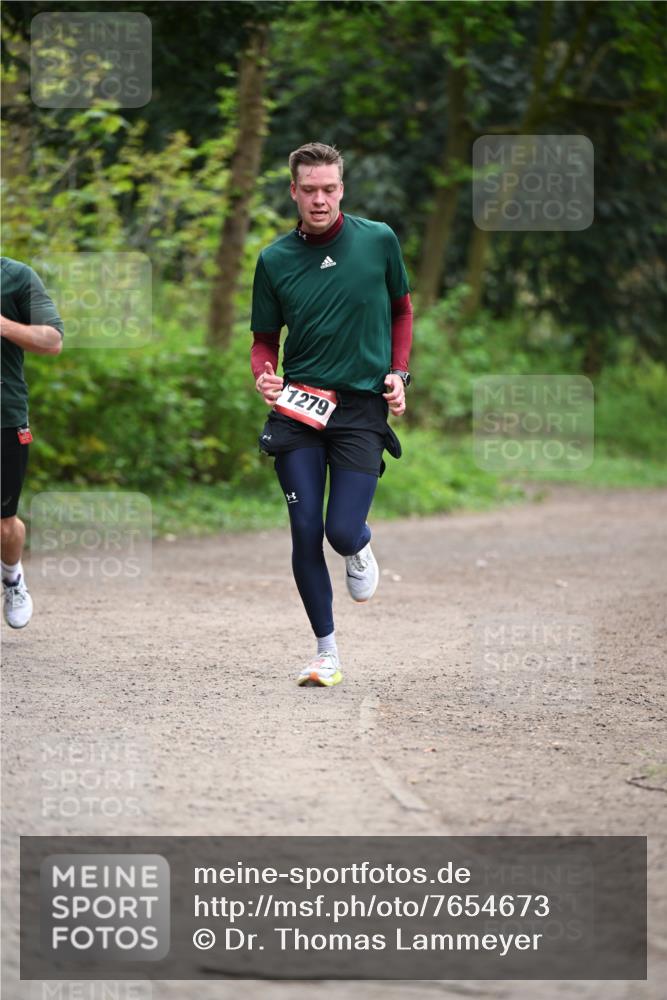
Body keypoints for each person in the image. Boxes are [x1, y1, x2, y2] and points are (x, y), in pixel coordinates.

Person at [250, 142, 413, 687]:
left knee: (340, 530)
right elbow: (263, 341)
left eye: (329, 189)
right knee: (304, 528)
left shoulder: (378, 240)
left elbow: (401, 310)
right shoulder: (274, 260)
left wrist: (399, 372)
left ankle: (359, 545)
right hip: (299, 407)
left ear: (342, 189)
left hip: (362, 406)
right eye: (309, 190)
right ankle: (326, 652)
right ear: (293, 191)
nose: (319, 200)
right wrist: (264, 373)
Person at [1, 257, 64, 628]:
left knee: (4, 525)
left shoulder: (15, 277)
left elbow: (52, 340)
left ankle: (12, 577)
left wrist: (4, 325)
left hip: (4, 415)